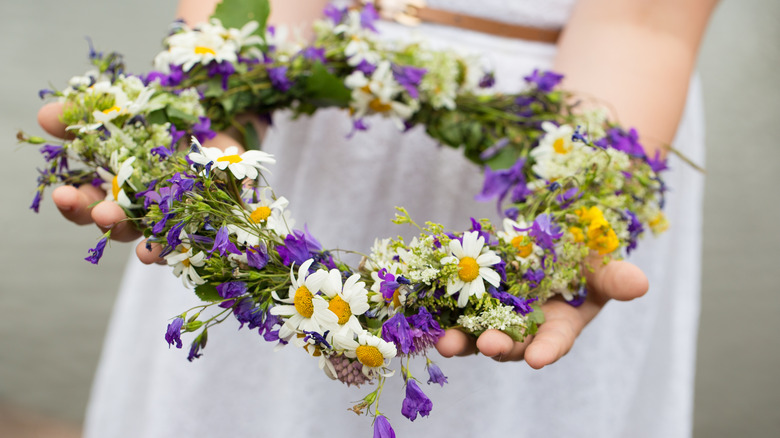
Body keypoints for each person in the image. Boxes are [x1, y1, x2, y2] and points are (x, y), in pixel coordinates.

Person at [37, 0, 716, 436]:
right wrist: (219, 115)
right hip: (303, 77)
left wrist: (578, 209)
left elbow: (643, 21)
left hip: (569, 109)